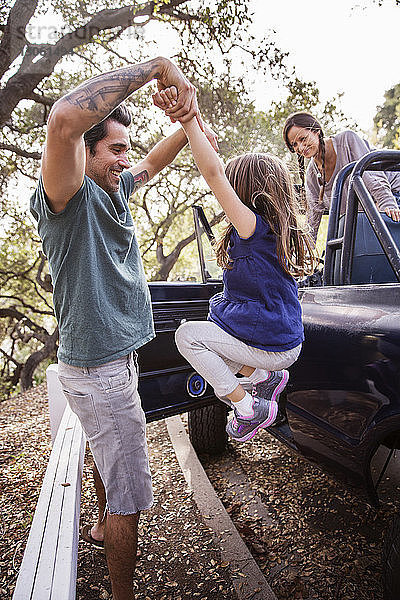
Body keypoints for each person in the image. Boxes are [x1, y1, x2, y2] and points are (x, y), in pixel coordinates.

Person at [30, 58, 217, 600]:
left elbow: (154, 164)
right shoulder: (66, 198)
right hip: (98, 373)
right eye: (114, 150)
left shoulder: (113, 188)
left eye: (124, 152)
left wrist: (189, 120)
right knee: (130, 497)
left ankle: (97, 526)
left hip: (113, 363)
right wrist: (159, 67)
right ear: (83, 155)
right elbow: (64, 119)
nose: (124, 161)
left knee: (105, 453)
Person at [153, 86, 315, 442]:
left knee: (189, 337)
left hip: (273, 345)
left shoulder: (252, 227)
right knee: (213, 347)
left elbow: (212, 173)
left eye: (230, 182)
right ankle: (260, 379)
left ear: (241, 189)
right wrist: (196, 123)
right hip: (282, 342)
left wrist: (189, 119)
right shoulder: (277, 230)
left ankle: (248, 407)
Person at [282, 111, 400, 241]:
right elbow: (313, 216)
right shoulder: (312, 173)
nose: (300, 147)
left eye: (303, 139)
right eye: (294, 144)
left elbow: (372, 178)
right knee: (335, 253)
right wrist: (306, 247)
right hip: (364, 214)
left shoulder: (347, 140)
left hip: (391, 196)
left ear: (316, 131)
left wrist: (388, 204)